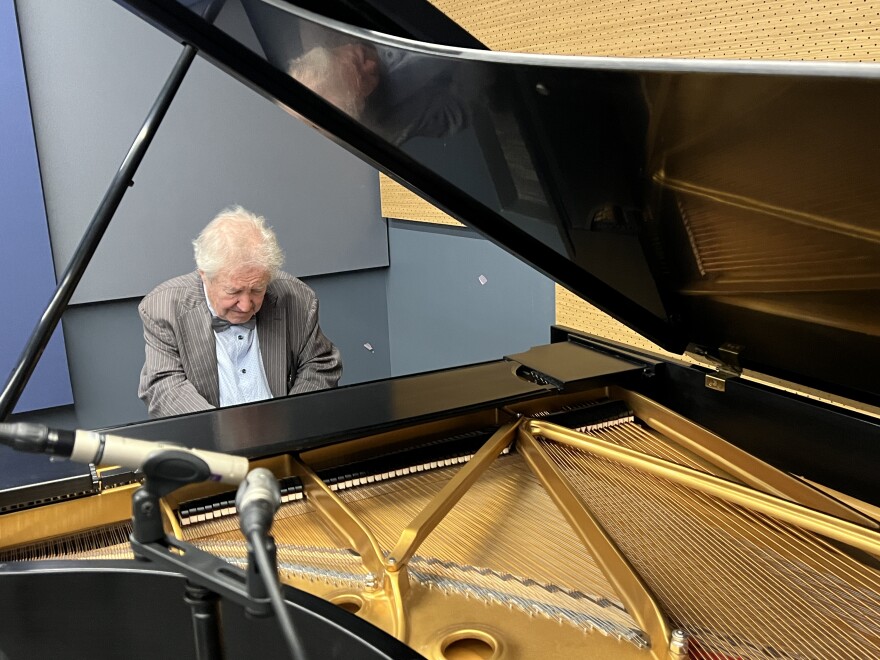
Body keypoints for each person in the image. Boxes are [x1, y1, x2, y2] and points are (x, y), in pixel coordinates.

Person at [138, 206, 341, 418]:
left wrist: (291, 420)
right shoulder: (163, 309)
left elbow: (320, 364)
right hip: (211, 442)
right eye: (233, 291)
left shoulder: (297, 298)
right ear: (204, 276)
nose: (245, 305)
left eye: (257, 290)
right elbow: (163, 386)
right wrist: (218, 431)